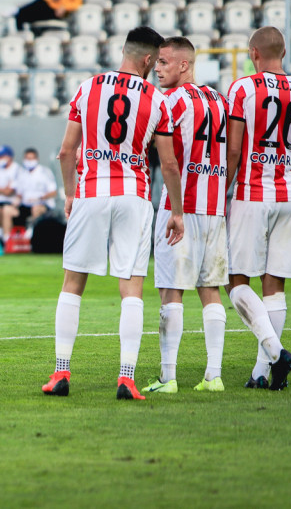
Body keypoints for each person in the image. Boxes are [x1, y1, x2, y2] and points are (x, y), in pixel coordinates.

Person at [42, 27, 185, 401]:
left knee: (73, 282)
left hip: (91, 192)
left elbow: (65, 152)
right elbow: (168, 164)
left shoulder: (88, 87)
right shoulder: (158, 99)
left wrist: (71, 194)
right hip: (133, 196)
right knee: (131, 288)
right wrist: (178, 211)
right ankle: (126, 377)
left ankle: (60, 372)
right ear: (149, 60)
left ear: (124, 51)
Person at [224, 26, 291, 390]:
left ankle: (276, 351)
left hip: (252, 192)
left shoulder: (243, 88)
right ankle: (261, 373)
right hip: (290, 195)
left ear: (253, 53)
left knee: (234, 281)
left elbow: (234, 151)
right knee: (274, 285)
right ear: (283, 52)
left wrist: (223, 194)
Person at [136, 37, 229, 395]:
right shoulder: (218, 100)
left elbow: (168, 160)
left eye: (163, 62)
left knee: (170, 290)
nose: (157, 68)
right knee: (210, 288)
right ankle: (214, 375)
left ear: (184, 65)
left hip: (182, 205)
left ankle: (168, 376)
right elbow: (232, 150)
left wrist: (175, 210)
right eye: (157, 62)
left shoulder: (170, 101)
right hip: (214, 206)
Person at [14, 148, 56, 221]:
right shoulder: (22, 173)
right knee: (7, 210)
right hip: (25, 205)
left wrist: (39, 198)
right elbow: (19, 194)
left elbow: (53, 192)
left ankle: (33, 231)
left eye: (31, 159)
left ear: (37, 159)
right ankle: (4, 232)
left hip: (41, 204)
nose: (29, 161)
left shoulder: (45, 172)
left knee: (36, 209)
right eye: (27, 159)